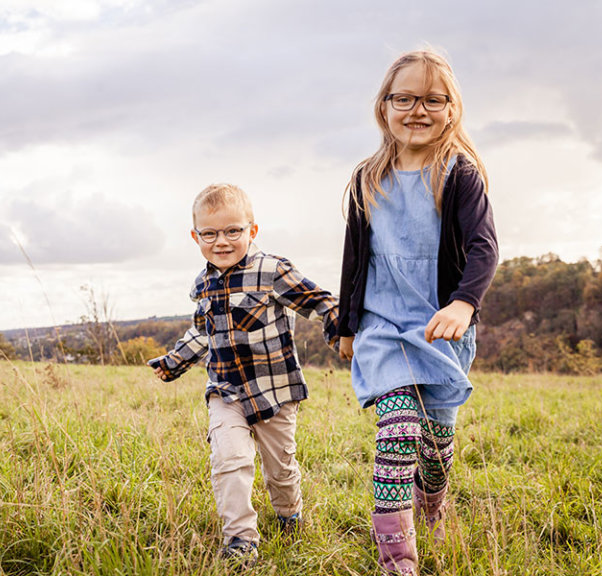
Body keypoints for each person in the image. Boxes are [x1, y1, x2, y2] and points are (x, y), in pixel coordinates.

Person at [337, 49, 498, 575]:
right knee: (398, 430)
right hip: (383, 326)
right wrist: (347, 323)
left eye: (433, 99)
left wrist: (463, 302)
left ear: (452, 109)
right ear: (384, 106)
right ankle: (396, 558)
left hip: (441, 329)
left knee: (435, 445)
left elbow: (483, 248)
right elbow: (355, 256)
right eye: (404, 98)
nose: (417, 110)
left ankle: (433, 504)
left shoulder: (459, 173)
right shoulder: (367, 177)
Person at [148, 183, 339, 569]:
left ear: (252, 230)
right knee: (229, 459)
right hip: (225, 391)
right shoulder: (202, 284)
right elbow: (203, 332)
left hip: (275, 391)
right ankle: (240, 539)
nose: (222, 241)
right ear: (195, 236)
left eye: (233, 231)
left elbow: (320, 301)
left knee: (280, 468)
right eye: (210, 233)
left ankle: (289, 514)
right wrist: (174, 361)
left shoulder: (272, 270)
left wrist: (338, 325)